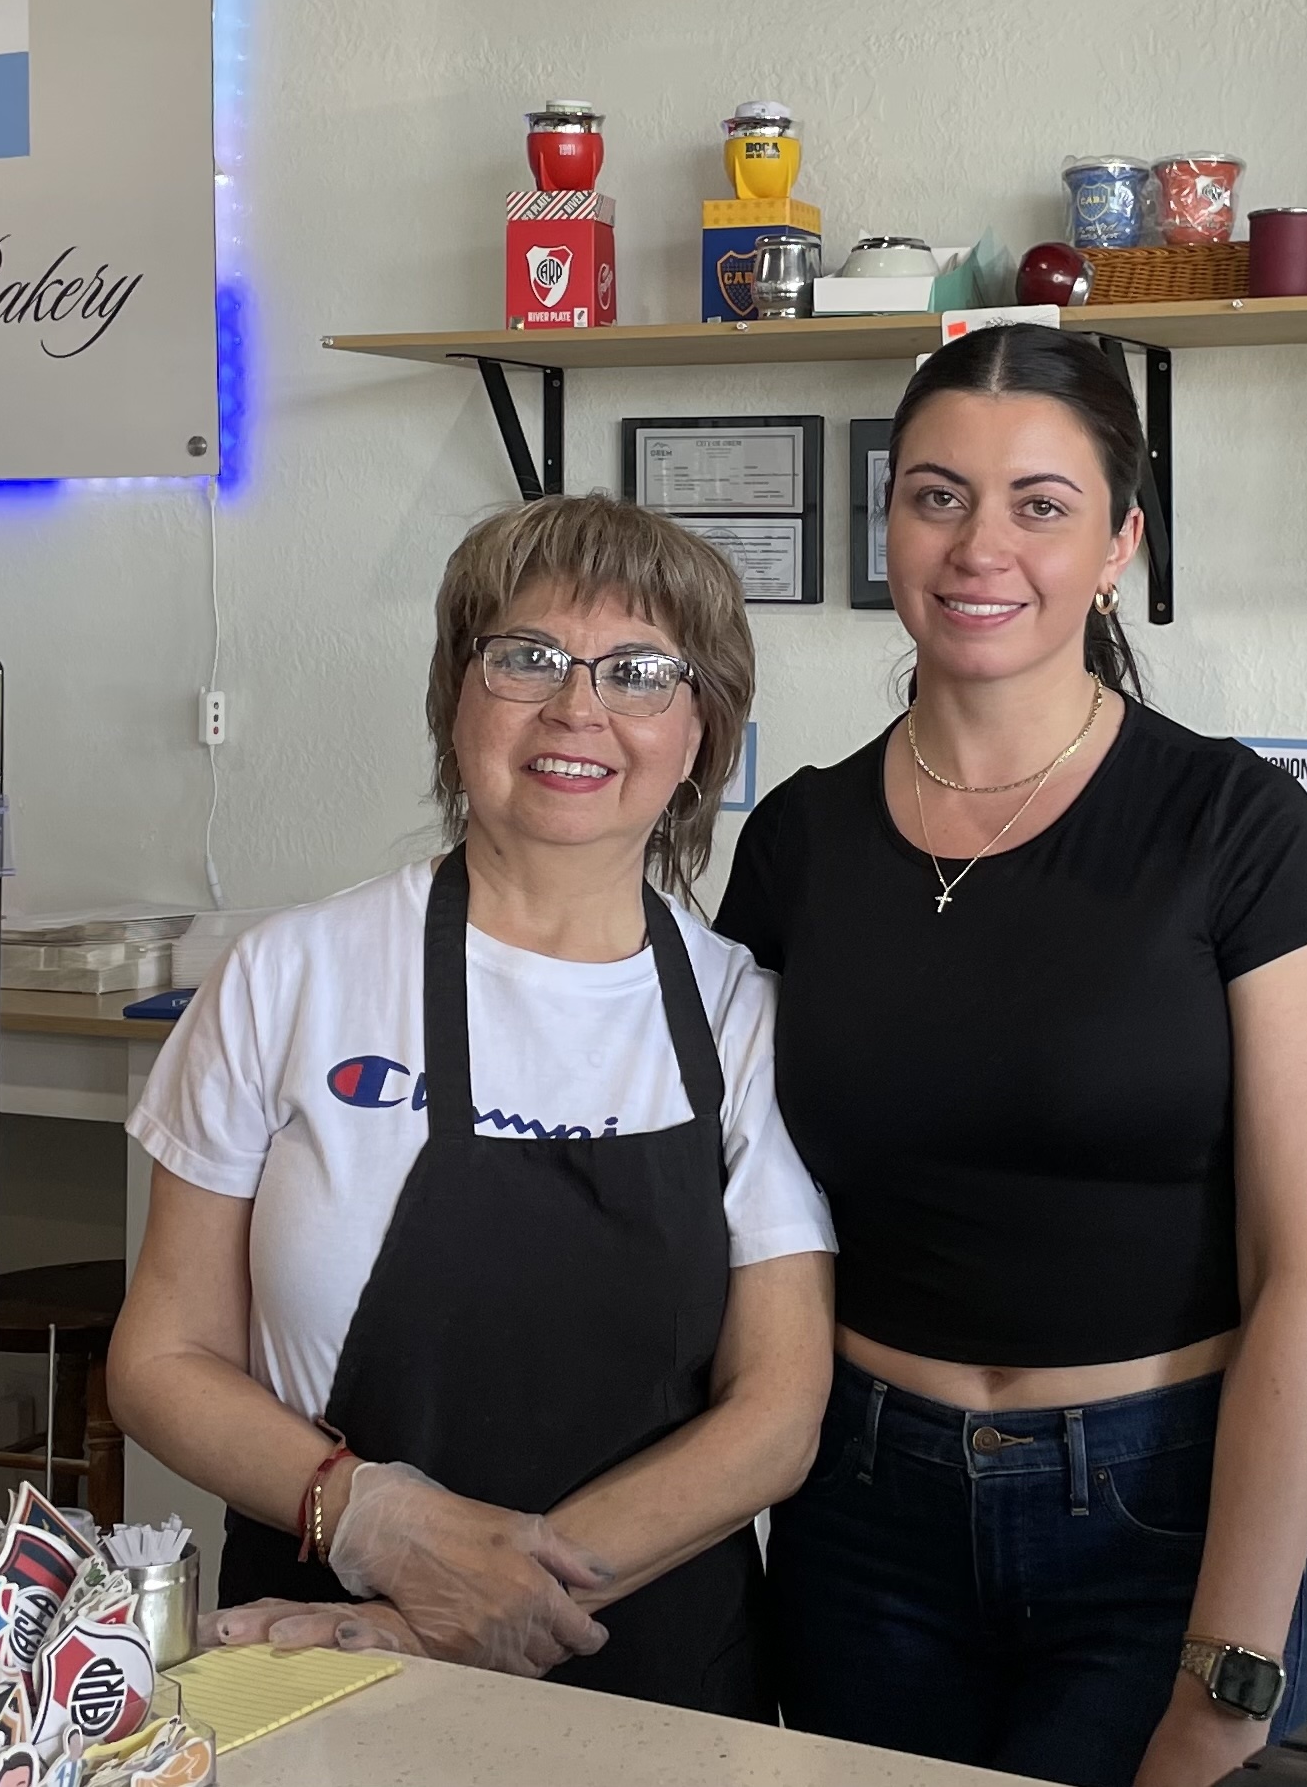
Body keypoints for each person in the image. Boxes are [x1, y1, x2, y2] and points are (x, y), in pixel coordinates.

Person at [717, 326, 1307, 1787]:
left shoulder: (1235, 828)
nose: (978, 547)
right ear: (887, 519)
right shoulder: (799, 841)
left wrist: (1232, 1670)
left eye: (1040, 504)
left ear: (1120, 541)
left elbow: (1306, 1279)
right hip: (859, 1510)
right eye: (937, 495)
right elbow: (738, 1204)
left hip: (1156, 1517)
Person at [111, 495, 838, 1717]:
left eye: (640, 672)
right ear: (457, 693)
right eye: (529, 657)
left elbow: (774, 1415)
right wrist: (378, 1527)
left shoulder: (743, 1016)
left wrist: (485, 1603)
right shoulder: (290, 975)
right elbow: (163, 1358)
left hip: (639, 1669)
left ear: (702, 733)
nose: (576, 708)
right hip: (320, 1646)